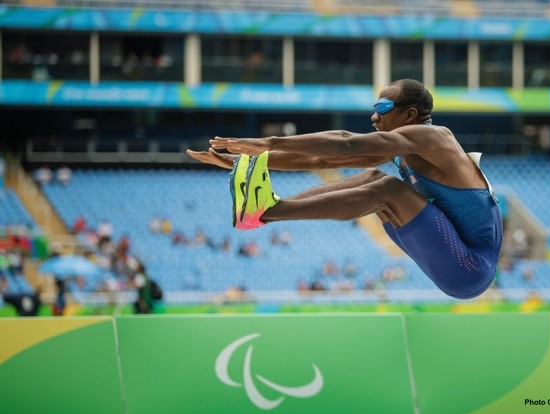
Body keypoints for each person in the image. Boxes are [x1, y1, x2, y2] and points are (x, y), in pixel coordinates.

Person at [187, 79, 502, 299]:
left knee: (387, 188)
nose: (374, 115)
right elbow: (320, 158)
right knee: (370, 178)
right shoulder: (403, 149)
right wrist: (240, 162)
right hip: (451, 255)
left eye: (383, 106)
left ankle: (269, 211)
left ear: (409, 115)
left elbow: (346, 140)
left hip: (471, 269)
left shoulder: (437, 139)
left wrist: (268, 142)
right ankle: (264, 210)